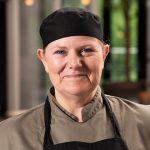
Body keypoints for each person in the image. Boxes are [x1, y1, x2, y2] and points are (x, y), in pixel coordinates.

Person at [0, 7, 150, 150]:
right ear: (44, 59)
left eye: (87, 50)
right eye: (60, 52)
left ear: (104, 55)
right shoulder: (9, 135)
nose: (74, 63)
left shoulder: (145, 122)